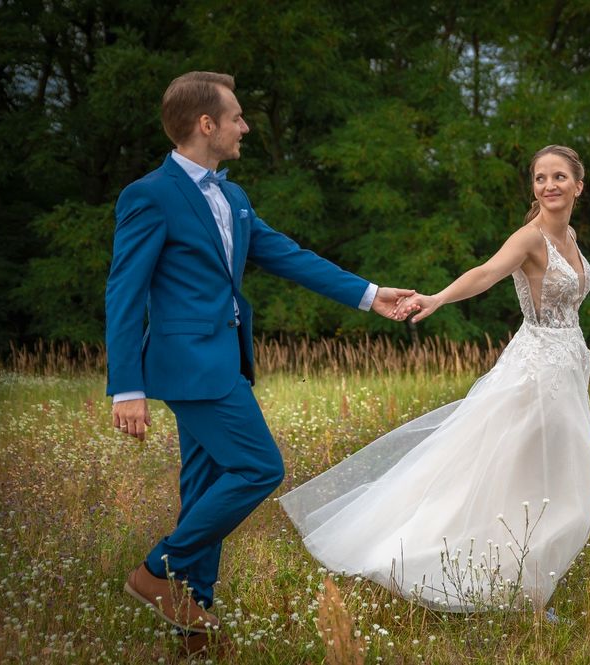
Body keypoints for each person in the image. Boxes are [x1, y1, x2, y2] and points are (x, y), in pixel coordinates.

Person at [105, 71, 415, 645]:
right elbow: (124, 291)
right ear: (207, 125)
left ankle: (192, 626)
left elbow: (287, 256)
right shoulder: (149, 195)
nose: (244, 126)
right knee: (259, 468)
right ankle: (155, 572)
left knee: (204, 489)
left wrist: (372, 295)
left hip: (223, 360)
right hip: (186, 365)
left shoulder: (234, 196)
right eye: (237, 117)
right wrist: (126, 387)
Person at [280, 145, 590, 612]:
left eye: (558, 177)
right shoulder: (531, 238)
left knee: (556, 471)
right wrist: (436, 298)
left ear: (578, 185)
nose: (548, 185)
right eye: (539, 178)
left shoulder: (569, 236)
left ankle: (530, 580)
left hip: (568, 363)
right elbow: (487, 273)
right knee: (523, 471)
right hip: (536, 369)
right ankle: (468, 566)